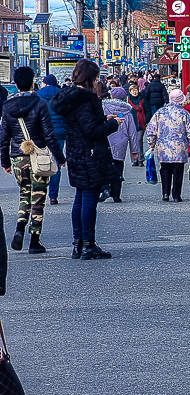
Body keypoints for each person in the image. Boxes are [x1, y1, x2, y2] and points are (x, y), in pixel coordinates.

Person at [51, 59, 121, 260]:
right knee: (89, 198)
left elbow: (82, 124)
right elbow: (92, 130)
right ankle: (88, 245)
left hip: (75, 151)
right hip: (90, 153)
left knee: (80, 197)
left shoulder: (68, 98)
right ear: (91, 78)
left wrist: (103, 120)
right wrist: (113, 124)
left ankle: (78, 243)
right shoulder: (86, 99)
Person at [0, 67, 67, 254]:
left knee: (24, 193)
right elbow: (49, 134)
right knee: (38, 197)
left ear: (15, 84)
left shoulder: (7, 106)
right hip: (38, 156)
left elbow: (4, 137)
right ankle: (35, 241)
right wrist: (60, 157)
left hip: (18, 157)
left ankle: (19, 229)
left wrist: (5, 161)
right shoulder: (39, 104)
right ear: (33, 83)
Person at [146, 88, 190, 202]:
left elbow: (151, 130)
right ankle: (176, 195)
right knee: (178, 170)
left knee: (165, 169)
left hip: (163, 147)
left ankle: (165, 193)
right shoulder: (184, 113)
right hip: (180, 147)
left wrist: (151, 144)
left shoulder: (160, 112)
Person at [101, 87, 138, 203]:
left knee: (104, 166)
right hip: (121, 143)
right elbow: (132, 133)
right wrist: (134, 150)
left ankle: (105, 188)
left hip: (105, 141)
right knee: (118, 167)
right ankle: (116, 195)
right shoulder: (127, 112)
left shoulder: (103, 108)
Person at [37, 74, 65, 204]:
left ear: (45, 83)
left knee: (42, 162)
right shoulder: (62, 94)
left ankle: (40, 193)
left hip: (43, 133)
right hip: (59, 133)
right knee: (56, 162)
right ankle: (53, 196)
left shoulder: (38, 95)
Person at [126, 83, 147, 166]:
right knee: (132, 142)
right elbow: (122, 112)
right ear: (130, 92)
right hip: (131, 124)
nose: (135, 92)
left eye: (136, 90)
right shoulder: (127, 101)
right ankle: (135, 160)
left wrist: (146, 119)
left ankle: (140, 159)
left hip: (140, 124)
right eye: (133, 90)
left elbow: (147, 110)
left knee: (139, 141)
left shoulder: (142, 99)